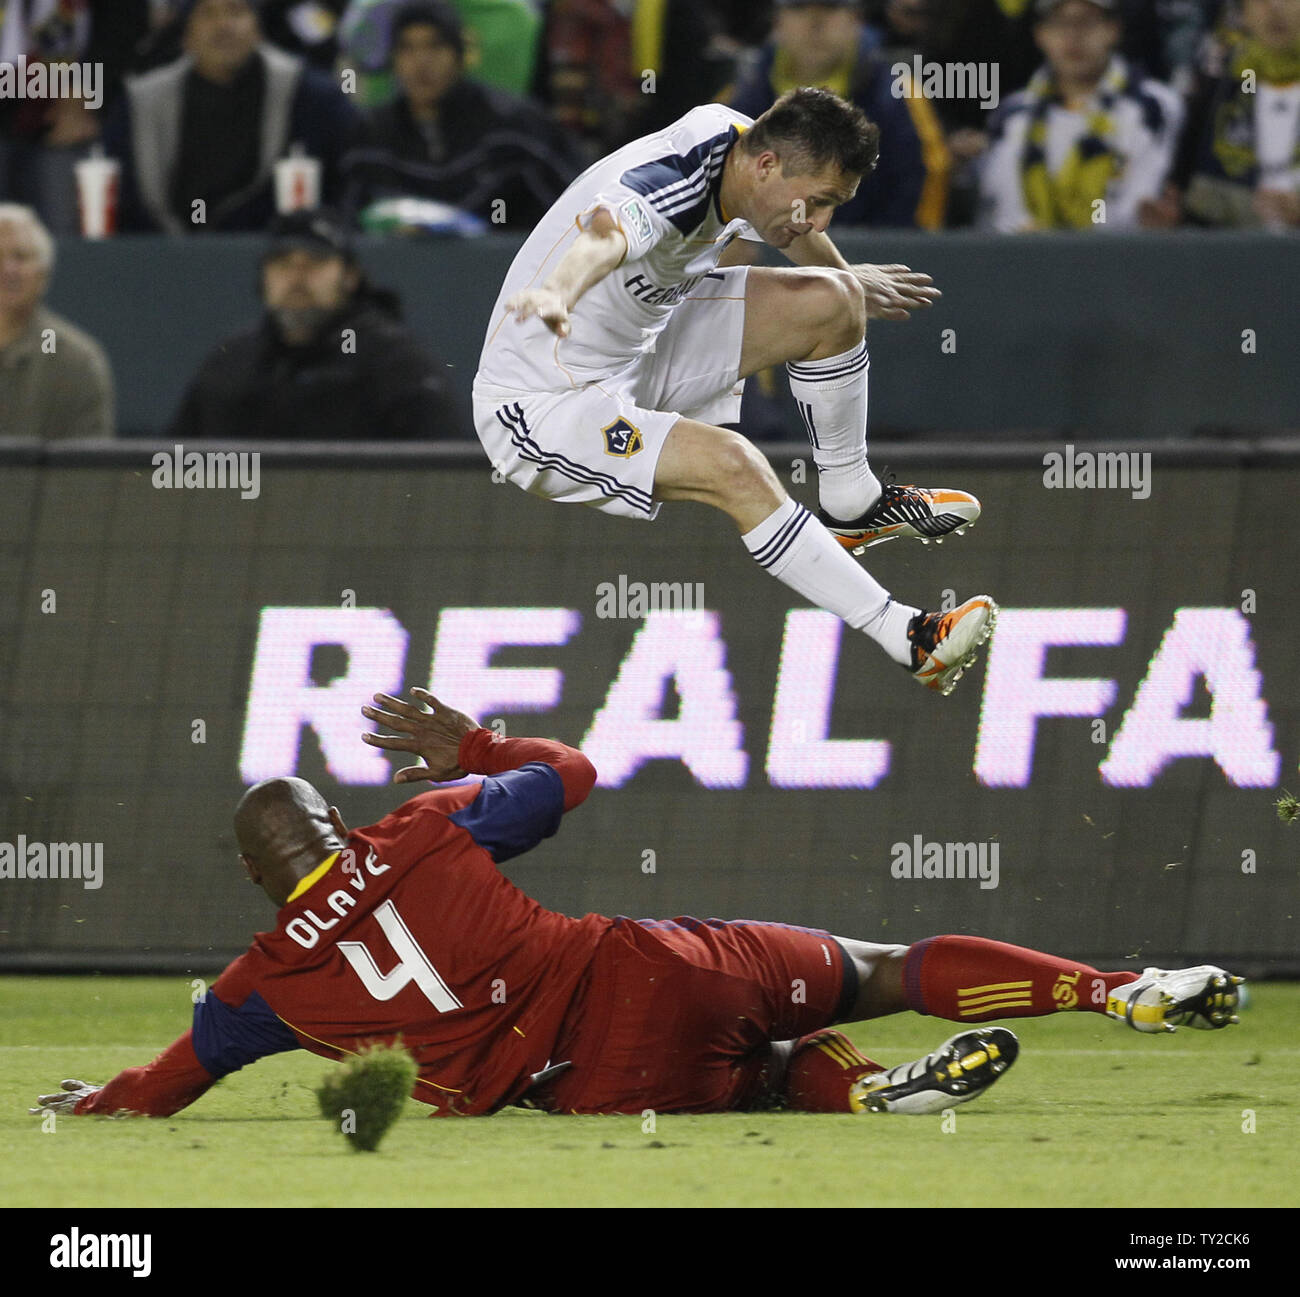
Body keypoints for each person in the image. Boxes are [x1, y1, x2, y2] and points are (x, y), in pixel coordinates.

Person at [31, 690, 1246, 1121]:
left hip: (586, 1090)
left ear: (256, 878)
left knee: (762, 1074)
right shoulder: (415, 830)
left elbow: (168, 1080)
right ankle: (1115, 989)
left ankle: (868, 1091)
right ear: (339, 825)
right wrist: (478, 741)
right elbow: (570, 773)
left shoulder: (262, 982)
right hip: (647, 972)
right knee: (882, 964)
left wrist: (94, 1103)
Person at [474, 86, 993, 698]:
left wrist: (845, 274)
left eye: (832, 206)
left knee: (832, 298)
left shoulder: (745, 148)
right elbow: (607, 231)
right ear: (767, 166)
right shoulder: (666, 184)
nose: (818, 222)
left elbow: (792, 229)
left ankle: (853, 503)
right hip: (545, 401)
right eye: (819, 202)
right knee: (736, 464)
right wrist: (560, 289)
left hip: (642, 345)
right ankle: (908, 636)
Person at [169, 209, 463, 440]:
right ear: (264, 278)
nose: (297, 277)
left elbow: (442, 468)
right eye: (283, 263)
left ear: (349, 276)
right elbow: (173, 461)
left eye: (315, 261)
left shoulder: (394, 362)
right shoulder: (231, 361)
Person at [101, 0, 359, 234]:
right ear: (186, 36)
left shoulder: (311, 98)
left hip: (277, 254)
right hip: (162, 260)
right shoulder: (142, 104)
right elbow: (122, 198)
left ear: (259, 31)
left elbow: (348, 186)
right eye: (208, 13)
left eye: (236, 11)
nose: (223, 25)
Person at [342, 1, 582, 232]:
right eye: (407, 48)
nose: (421, 62)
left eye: (435, 46)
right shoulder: (370, 139)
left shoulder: (514, 129)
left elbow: (574, 209)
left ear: (460, 55)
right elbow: (348, 222)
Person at [727, 0, 949, 229]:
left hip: (875, 253)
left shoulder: (900, 97)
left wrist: (895, 253)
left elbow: (922, 189)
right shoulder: (737, 102)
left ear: (856, 20)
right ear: (777, 22)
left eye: (831, 7)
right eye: (799, 7)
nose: (815, 23)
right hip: (763, 256)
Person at [978, 0, 1184, 232]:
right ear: (1040, 34)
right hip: (1025, 260)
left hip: (1116, 260)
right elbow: (1004, 210)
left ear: (1113, 30)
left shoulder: (1154, 106)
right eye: (1060, 22)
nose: (1073, 36)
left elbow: (1136, 204)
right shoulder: (1011, 114)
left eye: (1086, 22)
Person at [0, 204, 114, 439]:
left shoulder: (76, 362)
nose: (8, 269)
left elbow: (87, 468)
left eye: (20, 257)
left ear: (43, 274)